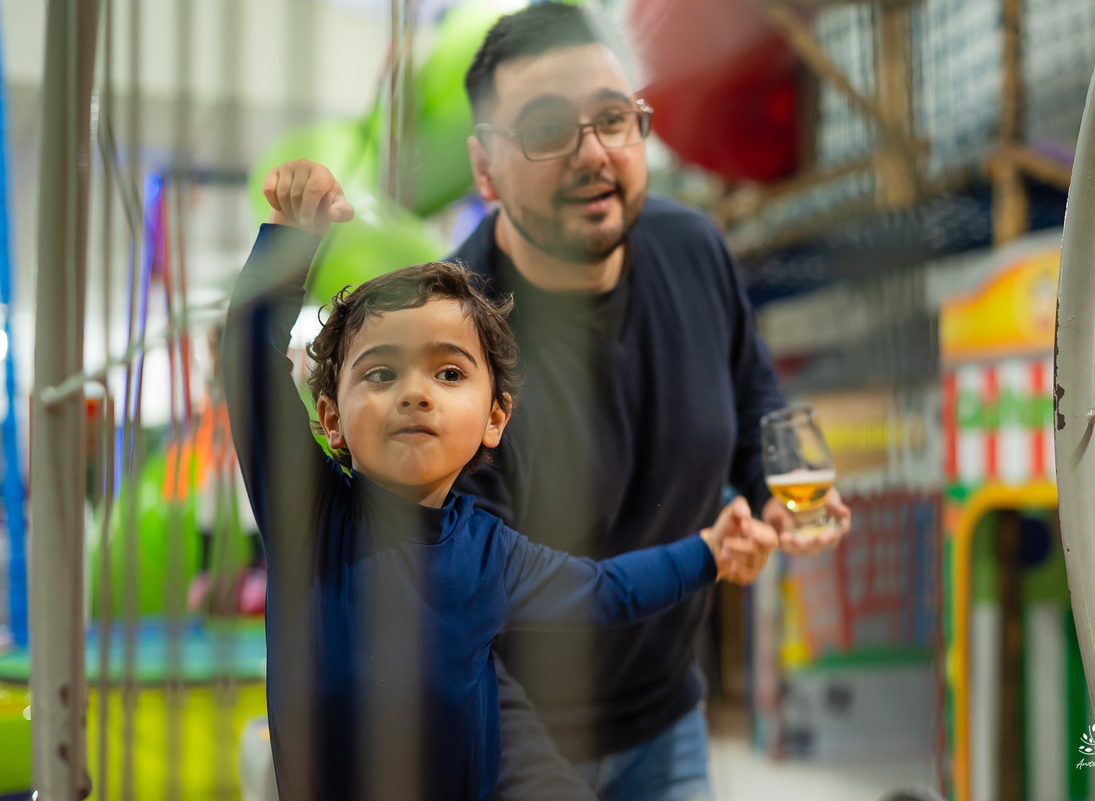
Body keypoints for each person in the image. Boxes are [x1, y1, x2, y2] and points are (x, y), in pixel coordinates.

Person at [222, 166, 775, 801]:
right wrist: (293, 235)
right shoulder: (310, 517)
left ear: (494, 417)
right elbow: (246, 353)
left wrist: (709, 551)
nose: (414, 394)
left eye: (449, 373)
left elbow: (608, 592)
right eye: (380, 374)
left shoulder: (493, 553)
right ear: (330, 421)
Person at [453, 5, 851, 800]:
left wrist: (781, 487)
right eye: (546, 129)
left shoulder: (693, 248)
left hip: (668, 721)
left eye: (612, 119)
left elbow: (753, 390)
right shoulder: (452, 342)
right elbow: (455, 620)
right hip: (512, 744)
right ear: (486, 167)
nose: (593, 154)